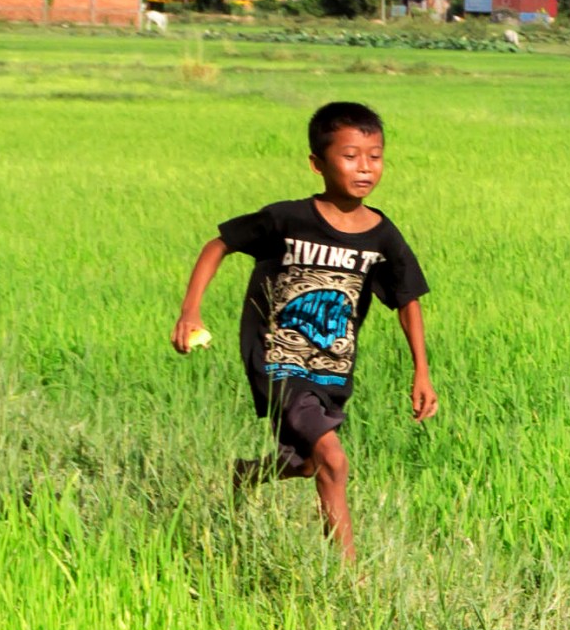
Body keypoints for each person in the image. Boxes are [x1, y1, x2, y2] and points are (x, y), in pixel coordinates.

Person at [169, 98, 437, 561]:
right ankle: (350, 574)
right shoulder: (287, 219)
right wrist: (190, 311)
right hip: (277, 358)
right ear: (317, 163)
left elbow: (407, 299)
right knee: (334, 459)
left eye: (375, 156)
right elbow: (219, 245)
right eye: (350, 156)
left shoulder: (381, 234)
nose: (365, 168)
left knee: (307, 461)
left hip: (333, 368)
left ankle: (248, 474)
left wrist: (421, 371)